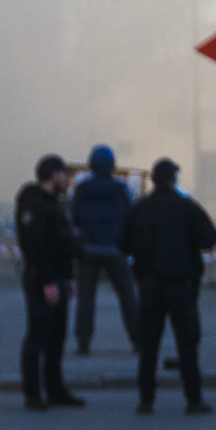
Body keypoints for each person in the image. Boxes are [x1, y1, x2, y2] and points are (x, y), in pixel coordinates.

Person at [119, 158, 216, 415]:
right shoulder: (186, 207)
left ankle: (146, 400)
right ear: (174, 179)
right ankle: (193, 399)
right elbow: (210, 238)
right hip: (182, 285)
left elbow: (122, 243)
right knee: (186, 343)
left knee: (149, 344)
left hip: (149, 284)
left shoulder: (140, 209)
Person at [15, 154, 82, 409]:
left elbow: (62, 242)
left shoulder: (53, 203)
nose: (65, 179)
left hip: (60, 277)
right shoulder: (33, 204)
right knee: (38, 336)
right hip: (44, 280)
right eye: (63, 174)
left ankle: (56, 389)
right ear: (53, 174)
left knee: (57, 338)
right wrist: (48, 282)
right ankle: (32, 393)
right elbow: (35, 247)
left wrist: (69, 277)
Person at [69, 145, 139, 355]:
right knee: (127, 295)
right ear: (112, 165)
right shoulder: (120, 188)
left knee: (86, 299)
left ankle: (83, 343)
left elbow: (75, 218)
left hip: (88, 250)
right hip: (115, 250)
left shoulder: (82, 189)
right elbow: (131, 217)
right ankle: (138, 340)